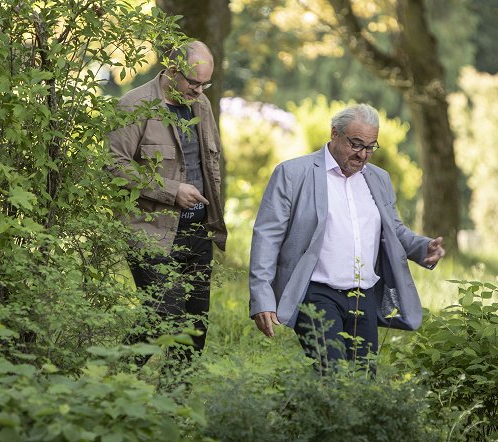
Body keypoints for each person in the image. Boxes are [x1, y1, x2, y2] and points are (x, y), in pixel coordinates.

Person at [248, 104, 445, 371]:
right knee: (332, 372)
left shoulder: (379, 179)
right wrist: (262, 297)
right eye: (356, 144)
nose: (363, 154)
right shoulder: (294, 173)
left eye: (370, 147)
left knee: (363, 380)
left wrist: (424, 248)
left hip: (364, 296)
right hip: (316, 293)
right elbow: (267, 238)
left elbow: (394, 229)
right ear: (334, 134)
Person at [107, 41, 227, 365]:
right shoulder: (136, 105)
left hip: (197, 230)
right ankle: (115, 385)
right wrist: (171, 191)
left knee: (194, 329)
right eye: (194, 82)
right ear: (173, 71)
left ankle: (173, 409)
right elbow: (113, 165)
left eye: (206, 84)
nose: (200, 91)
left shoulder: (201, 105)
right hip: (150, 231)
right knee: (165, 312)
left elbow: (210, 164)